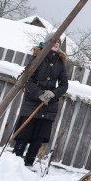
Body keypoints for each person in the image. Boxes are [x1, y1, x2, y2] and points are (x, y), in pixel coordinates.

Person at [12, 38, 68, 167]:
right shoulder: (36, 58)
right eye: (54, 40)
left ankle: (29, 164)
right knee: (24, 134)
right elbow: (28, 79)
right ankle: (14, 162)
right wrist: (39, 94)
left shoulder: (60, 62)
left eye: (58, 42)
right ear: (47, 42)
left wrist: (53, 93)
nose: (57, 43)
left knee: (38, 137)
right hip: (32, 102)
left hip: (49, 104)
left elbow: (64, 85)